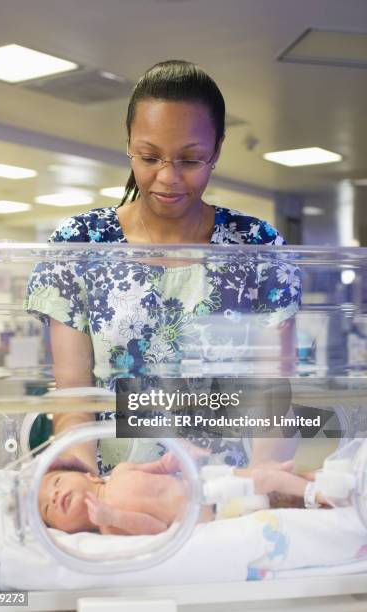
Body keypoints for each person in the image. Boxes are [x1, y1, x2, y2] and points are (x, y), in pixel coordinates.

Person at [25, 60, 301, 471]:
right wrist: (87, 496)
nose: (168, 178)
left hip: (228, 493)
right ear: (129, 144)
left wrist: (260, 493)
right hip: (118, 490)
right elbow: (74, 402)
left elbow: (271, 398)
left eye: (190, 160)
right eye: (149, 157)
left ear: (217, 150)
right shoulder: (80, 244)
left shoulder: (256, 248)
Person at [39, 453, 322, 535]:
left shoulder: (122, 471)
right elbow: (157, 527)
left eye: (57, 482)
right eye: (46, 510)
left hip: (207, 482)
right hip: (215, 514)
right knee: (271, 508)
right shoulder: (109, 527)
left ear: (87, 474)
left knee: (265, 477)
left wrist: (169, 462)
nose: (53, 497)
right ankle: (313, 500)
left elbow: (160, 468)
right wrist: (112, 515)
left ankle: (314, 487)